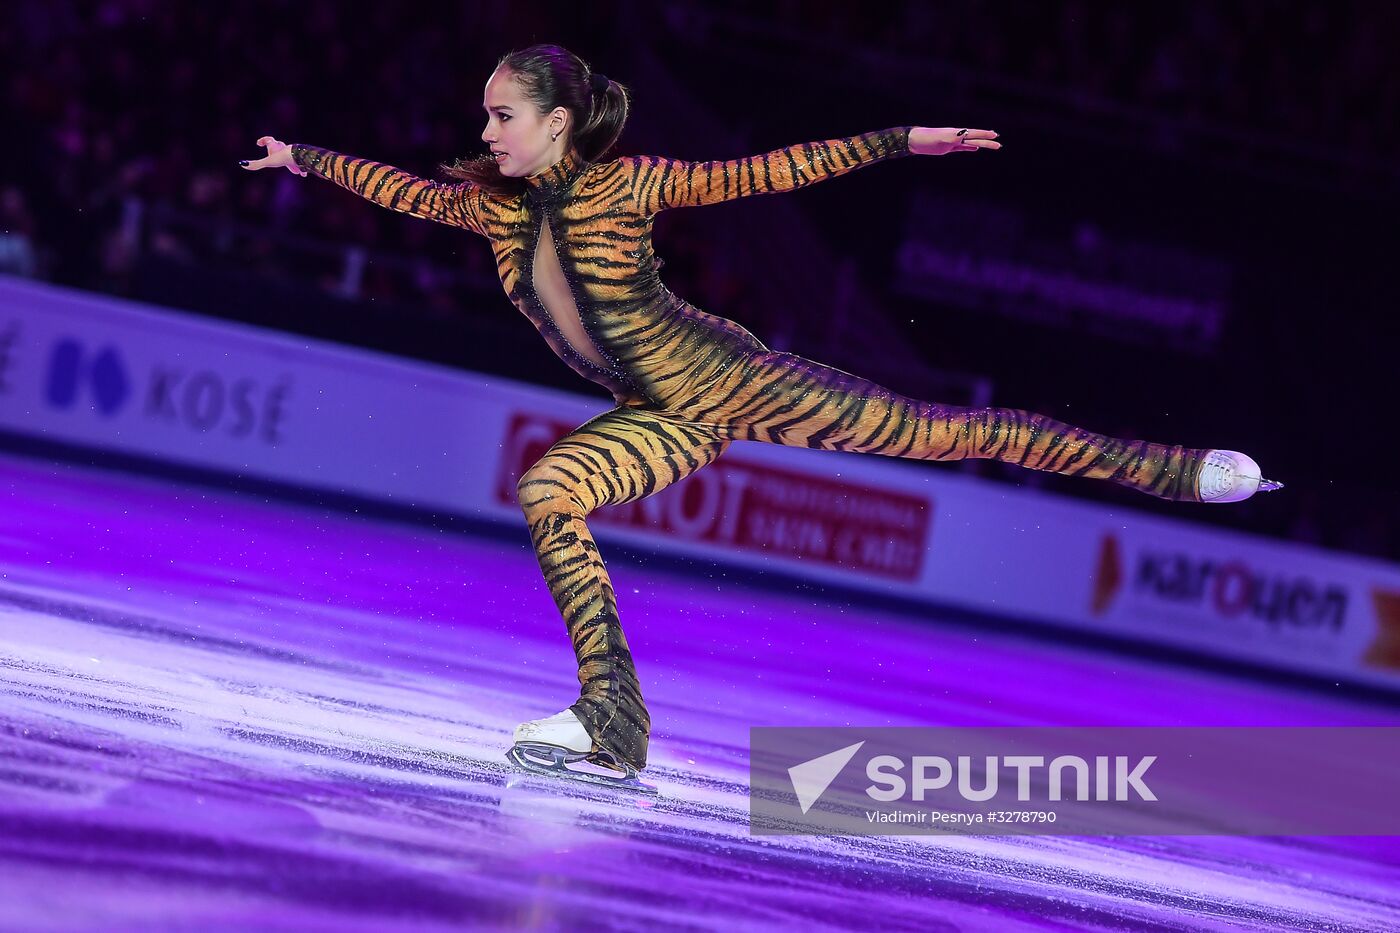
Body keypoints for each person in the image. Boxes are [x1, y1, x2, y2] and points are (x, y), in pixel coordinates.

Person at [240, 43, 1281, 793]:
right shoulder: (491, 206)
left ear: (556, 122)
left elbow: (767, 172)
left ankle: (1172, 470)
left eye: (500, 115)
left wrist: (898, 141)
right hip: (655, 411)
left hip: (735, 380)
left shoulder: (628, 185)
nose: (484, 133)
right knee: (549, 488)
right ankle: (611, 719)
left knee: (944, 432)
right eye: (485, 116)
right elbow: (398, 190)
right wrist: (303, 158)